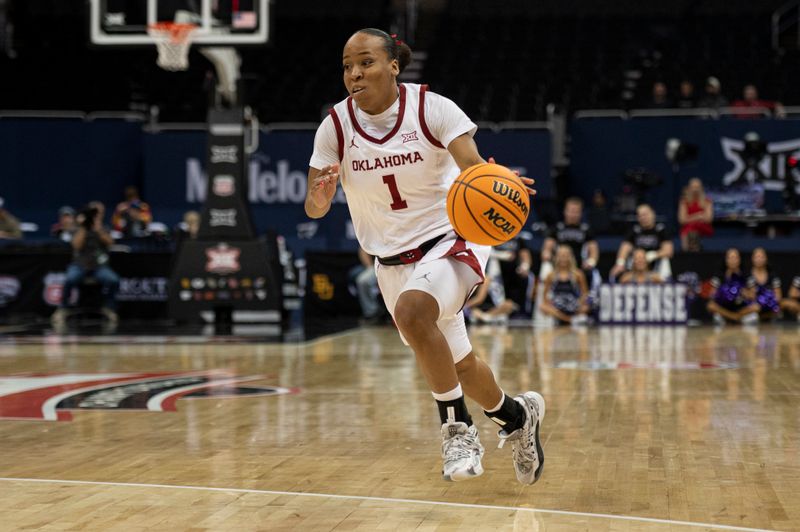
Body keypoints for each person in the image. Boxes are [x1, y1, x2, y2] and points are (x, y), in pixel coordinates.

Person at [305, 28, 545, 485]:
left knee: (415, 314)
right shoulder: (334, 126)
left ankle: (457, 430)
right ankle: (518, 417)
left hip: (452, 239)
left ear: (394, 65)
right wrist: (321, 193)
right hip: (392, 262)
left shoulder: (431, 107)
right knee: (460, 366)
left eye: (366, 62)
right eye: (347, 65)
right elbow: (313, 206)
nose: (354, 73)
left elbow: (473, 166)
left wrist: (499, 183)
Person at [51, 202, 120, 326]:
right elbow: (76, 246)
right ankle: (63, 309)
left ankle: (109, 309)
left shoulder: (104, 227)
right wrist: (84, 227)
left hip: (99, 266)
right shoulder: (77, 228)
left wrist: (98, 229)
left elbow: (110, 243)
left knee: (113, 280)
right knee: (69, 279)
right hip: (79, 264)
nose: (96, 215)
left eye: (99, 213)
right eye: (94, 213)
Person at [540, 197, 600, 305]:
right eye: (571, 211)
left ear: (581, 213)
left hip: (579, 267)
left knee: (593, 273)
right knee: (545, 270)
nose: (573, 214)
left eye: (576, 211)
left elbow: (594, 250)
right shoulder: (557, 228)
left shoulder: (586, 230)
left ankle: (587, 305)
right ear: (565, 211)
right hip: (559, 267)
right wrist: (547, 255)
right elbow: (547, 247)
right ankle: (546, 304)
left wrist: (591, 261)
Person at [610, 204, 673, 281]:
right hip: (636, 263)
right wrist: (620, 263)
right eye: (640, 215)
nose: (643, 217)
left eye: (645, 214)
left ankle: (665, 282)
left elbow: (668, 251)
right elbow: (625, 247)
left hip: (656, 262)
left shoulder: (661, 230)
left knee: (665, 259)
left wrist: (653, 255)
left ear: (653, 214)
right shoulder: (634, 230)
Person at [538, 245, 589, 325]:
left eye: (566, 255)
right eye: (560, 255)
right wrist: (549, 303)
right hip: (557, 306)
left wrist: (581, 302)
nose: (563, 258)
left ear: (571, 257)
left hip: (573, 304)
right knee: (542, 307)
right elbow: (545, 296)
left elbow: (585, 293)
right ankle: (569, 320)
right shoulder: (551, 275)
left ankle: (567, 318)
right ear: (556, 257)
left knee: (586, 307)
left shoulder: (578, 274)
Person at [706, 248, 759, 325]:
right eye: (730, 258)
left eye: (735, 258)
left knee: (756, 307)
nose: (733, 260)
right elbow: (712, 296)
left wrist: (745, 292)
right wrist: (721, 293)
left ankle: (735, 317)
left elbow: (753, 296)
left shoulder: (746, 275)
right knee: (710, 306)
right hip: (724, 309)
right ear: (726, 260)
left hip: (741, 308)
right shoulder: (719, 275)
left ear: (739, 260)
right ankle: (733, 317)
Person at [744, 248, 781, 321]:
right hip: (752, 306)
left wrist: (768, 301)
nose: (759, 259)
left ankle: (764, 317)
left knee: (783, 305)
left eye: (761, 257)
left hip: (770, 305)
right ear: (752, 259)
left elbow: (778, 296)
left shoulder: (772, 275)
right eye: (757, 257)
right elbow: (748, 294)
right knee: (754, 307)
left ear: (766, 259)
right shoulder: (746, 275)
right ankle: (737, 317)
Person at [678, 178, 714, 251]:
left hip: (703, 228)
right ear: (689, 188)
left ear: (701, 188)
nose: (695, 190)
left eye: (697, 187)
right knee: (690, 228)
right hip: (688, 227)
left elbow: (709, 219)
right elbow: (682, 220)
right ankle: (688, 250)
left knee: (691, 228)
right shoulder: (684, 202)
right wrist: (698, 216)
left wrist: (690, 218)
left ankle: (687, 249)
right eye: (693, 187)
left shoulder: (707, 201)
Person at [349, 246, 383, 324]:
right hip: (374, 265)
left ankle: (375, 312)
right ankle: (372, 313)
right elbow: (363, 250)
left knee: (363, 280)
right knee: (354, 275)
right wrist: (370, 267)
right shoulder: (372, 235)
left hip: (389, 264)